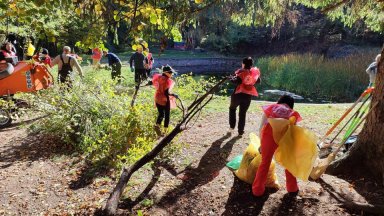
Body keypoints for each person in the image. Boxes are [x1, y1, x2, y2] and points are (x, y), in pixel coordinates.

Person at [252, 95, 302, 197]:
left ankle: (257, 190)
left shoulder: (270, 108)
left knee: (265, 163)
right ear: (291, 105)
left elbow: (262, 127)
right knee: (289, 163)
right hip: (285, 137)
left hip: (269, 135)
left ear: (279, 101)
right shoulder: (292, 113)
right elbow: (293, 130)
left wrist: (262, 144)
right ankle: (292, 189)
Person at [228, 57, 261, 136]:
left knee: (232, 109)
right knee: (242, 113)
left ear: (244, 64)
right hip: (248, 96)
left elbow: (236, 81)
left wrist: (230, 78)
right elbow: (258, 81)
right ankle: (240, 131)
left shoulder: (241, 72)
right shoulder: (253, 73)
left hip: (238, 95)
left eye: (242, 63)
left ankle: (232, 127)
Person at [152, 65, 178, 136]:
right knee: (167, 115)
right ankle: (165, 132)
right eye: (170, 72)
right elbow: (166, 92)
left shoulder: (158, 77)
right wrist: (174, 95)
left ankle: (157, 126)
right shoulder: (167, 80)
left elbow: (152, 82)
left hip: (157, 98)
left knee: (161, 114)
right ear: (166, 73)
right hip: (164, 100)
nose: (171, 74)